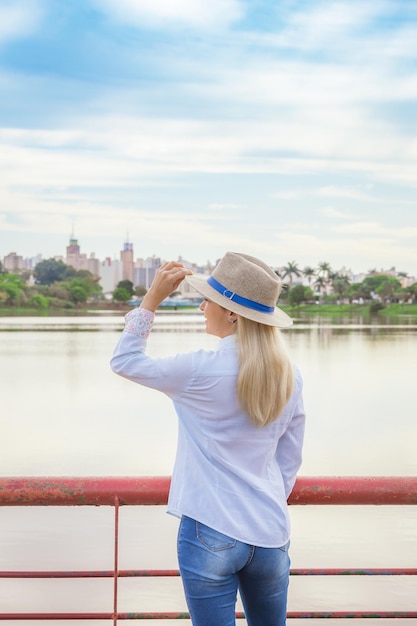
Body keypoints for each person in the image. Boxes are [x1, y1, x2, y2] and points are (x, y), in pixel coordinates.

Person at [110, 251, 306, 626]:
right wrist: (262, 503)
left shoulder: (198, 369)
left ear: (232, 312)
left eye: (209, 300)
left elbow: (125, 362)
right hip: (270, 533)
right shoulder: (290, 376)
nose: (201, 307)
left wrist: (151, 300)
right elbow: (289, 458)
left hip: (210, 531)